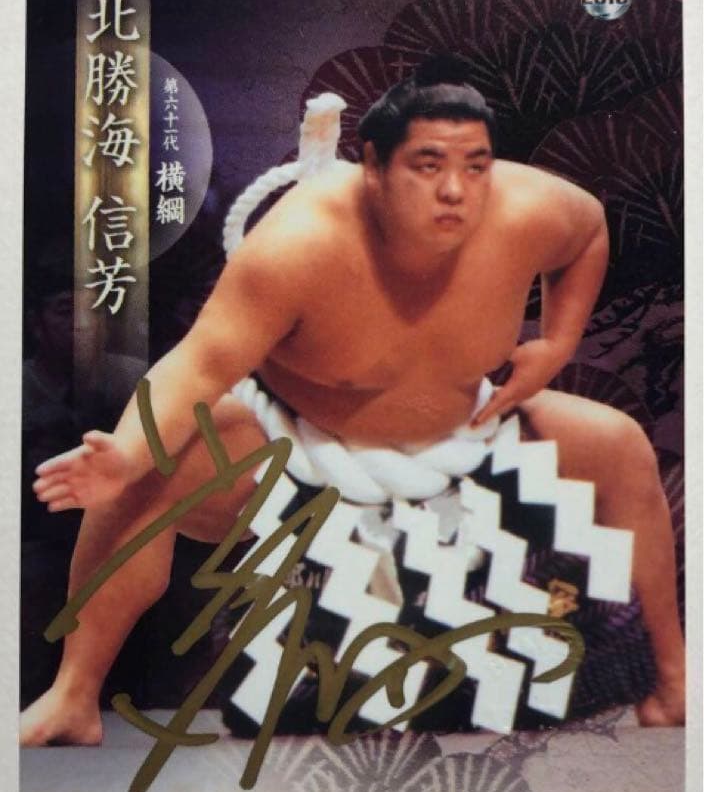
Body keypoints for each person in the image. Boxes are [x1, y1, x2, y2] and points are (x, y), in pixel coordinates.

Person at [21, 56, 685, 746]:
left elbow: (589, 231)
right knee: (144, 471)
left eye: (476, 166)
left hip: (471, 431)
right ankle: (74, 694)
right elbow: (198, 365)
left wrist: (556, 343)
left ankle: (672, 683)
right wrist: (127, 453)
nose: (455, 190)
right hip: (299, 445)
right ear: (373, 166)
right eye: (427, 165)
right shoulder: (300, 244)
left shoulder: (528, 209)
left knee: (616, 444)